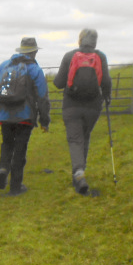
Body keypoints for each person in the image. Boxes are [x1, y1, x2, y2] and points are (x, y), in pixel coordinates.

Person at [0, 37, 50, 196]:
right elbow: (42, 97)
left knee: (7, 144)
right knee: (20, 149)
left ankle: (3, 169)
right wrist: (44, 120)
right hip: (25, 116)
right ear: (34, 52)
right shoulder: (35, 69)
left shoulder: (4, 65)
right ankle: (15, 187)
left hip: (5, 114)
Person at [53, 29, 111, 195]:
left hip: (71, 106)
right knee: (84, 137)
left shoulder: (69, 56)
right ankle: (79, 174)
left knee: (75, 139)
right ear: (95, 41)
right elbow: (106, 80)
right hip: (93, 106)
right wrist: (107, 97)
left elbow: (58, 82)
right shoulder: (100, 57)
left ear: (80, 40)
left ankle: (78, 173)